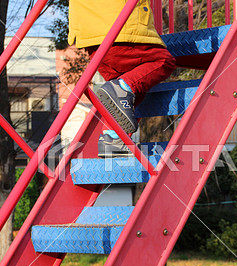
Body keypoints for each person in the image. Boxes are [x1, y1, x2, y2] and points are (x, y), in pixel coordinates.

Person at [68, 0, 176, 156]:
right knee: (162, 61)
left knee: (131, 91)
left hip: (90, 38)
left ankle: (112, 137)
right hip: (121, 27)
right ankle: (121, 89)